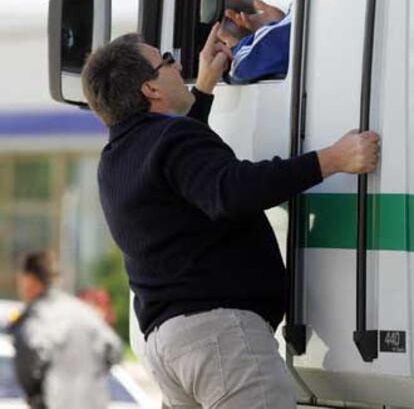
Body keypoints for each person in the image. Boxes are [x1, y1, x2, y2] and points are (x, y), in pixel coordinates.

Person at [80, 24, 379, 409]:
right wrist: (331, 159)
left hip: (168, 348)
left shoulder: (117, 157)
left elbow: (187, 169)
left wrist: (203, 90)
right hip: (218, 339)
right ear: (150, 90)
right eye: (167, 61)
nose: (178, 65)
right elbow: (230, 190)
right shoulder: (171, 142)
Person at [9, 251, 122, 409]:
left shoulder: (34, 318)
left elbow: (28, 367)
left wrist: (37, 396)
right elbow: (114, 350)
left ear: (30, 280)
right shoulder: (84, 311)